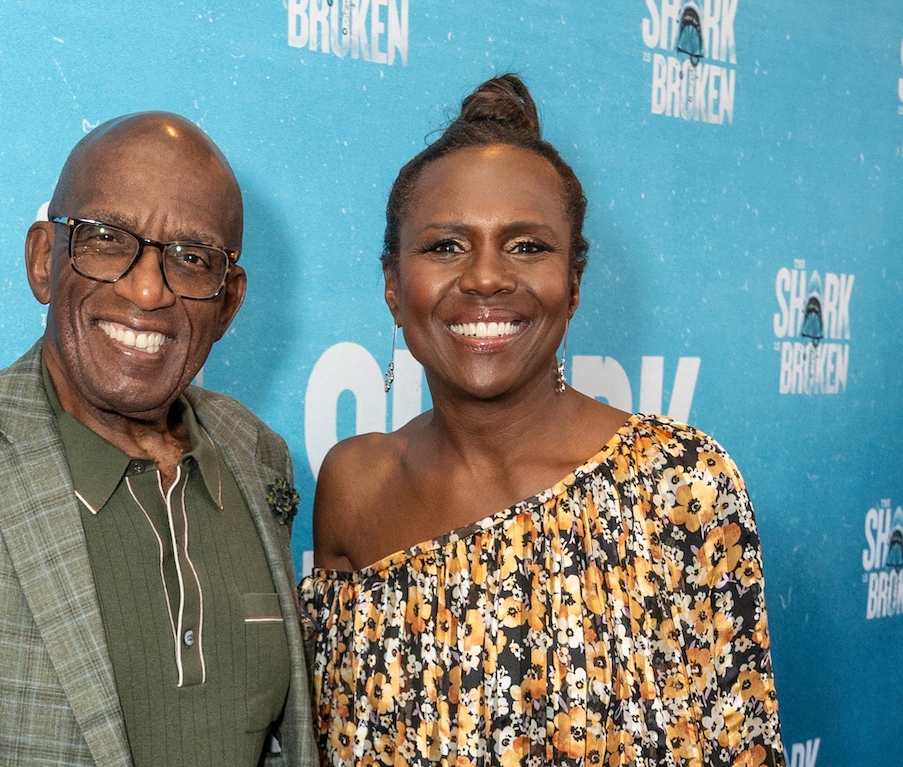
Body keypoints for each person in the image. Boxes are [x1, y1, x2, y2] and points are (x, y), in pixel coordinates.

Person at [0, 112, 319, 767]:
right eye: (107, 238)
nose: (148, 288)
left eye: (192, 258)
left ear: (228, 301)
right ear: (45, 260)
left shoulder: (255, 452)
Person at [300, 74, 784, 767]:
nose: (488, 278)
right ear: (391, 285)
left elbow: (743, 747)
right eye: (445, 246)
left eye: (527, 245)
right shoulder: (354, 485)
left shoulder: (681, 483)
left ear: (576, 282)